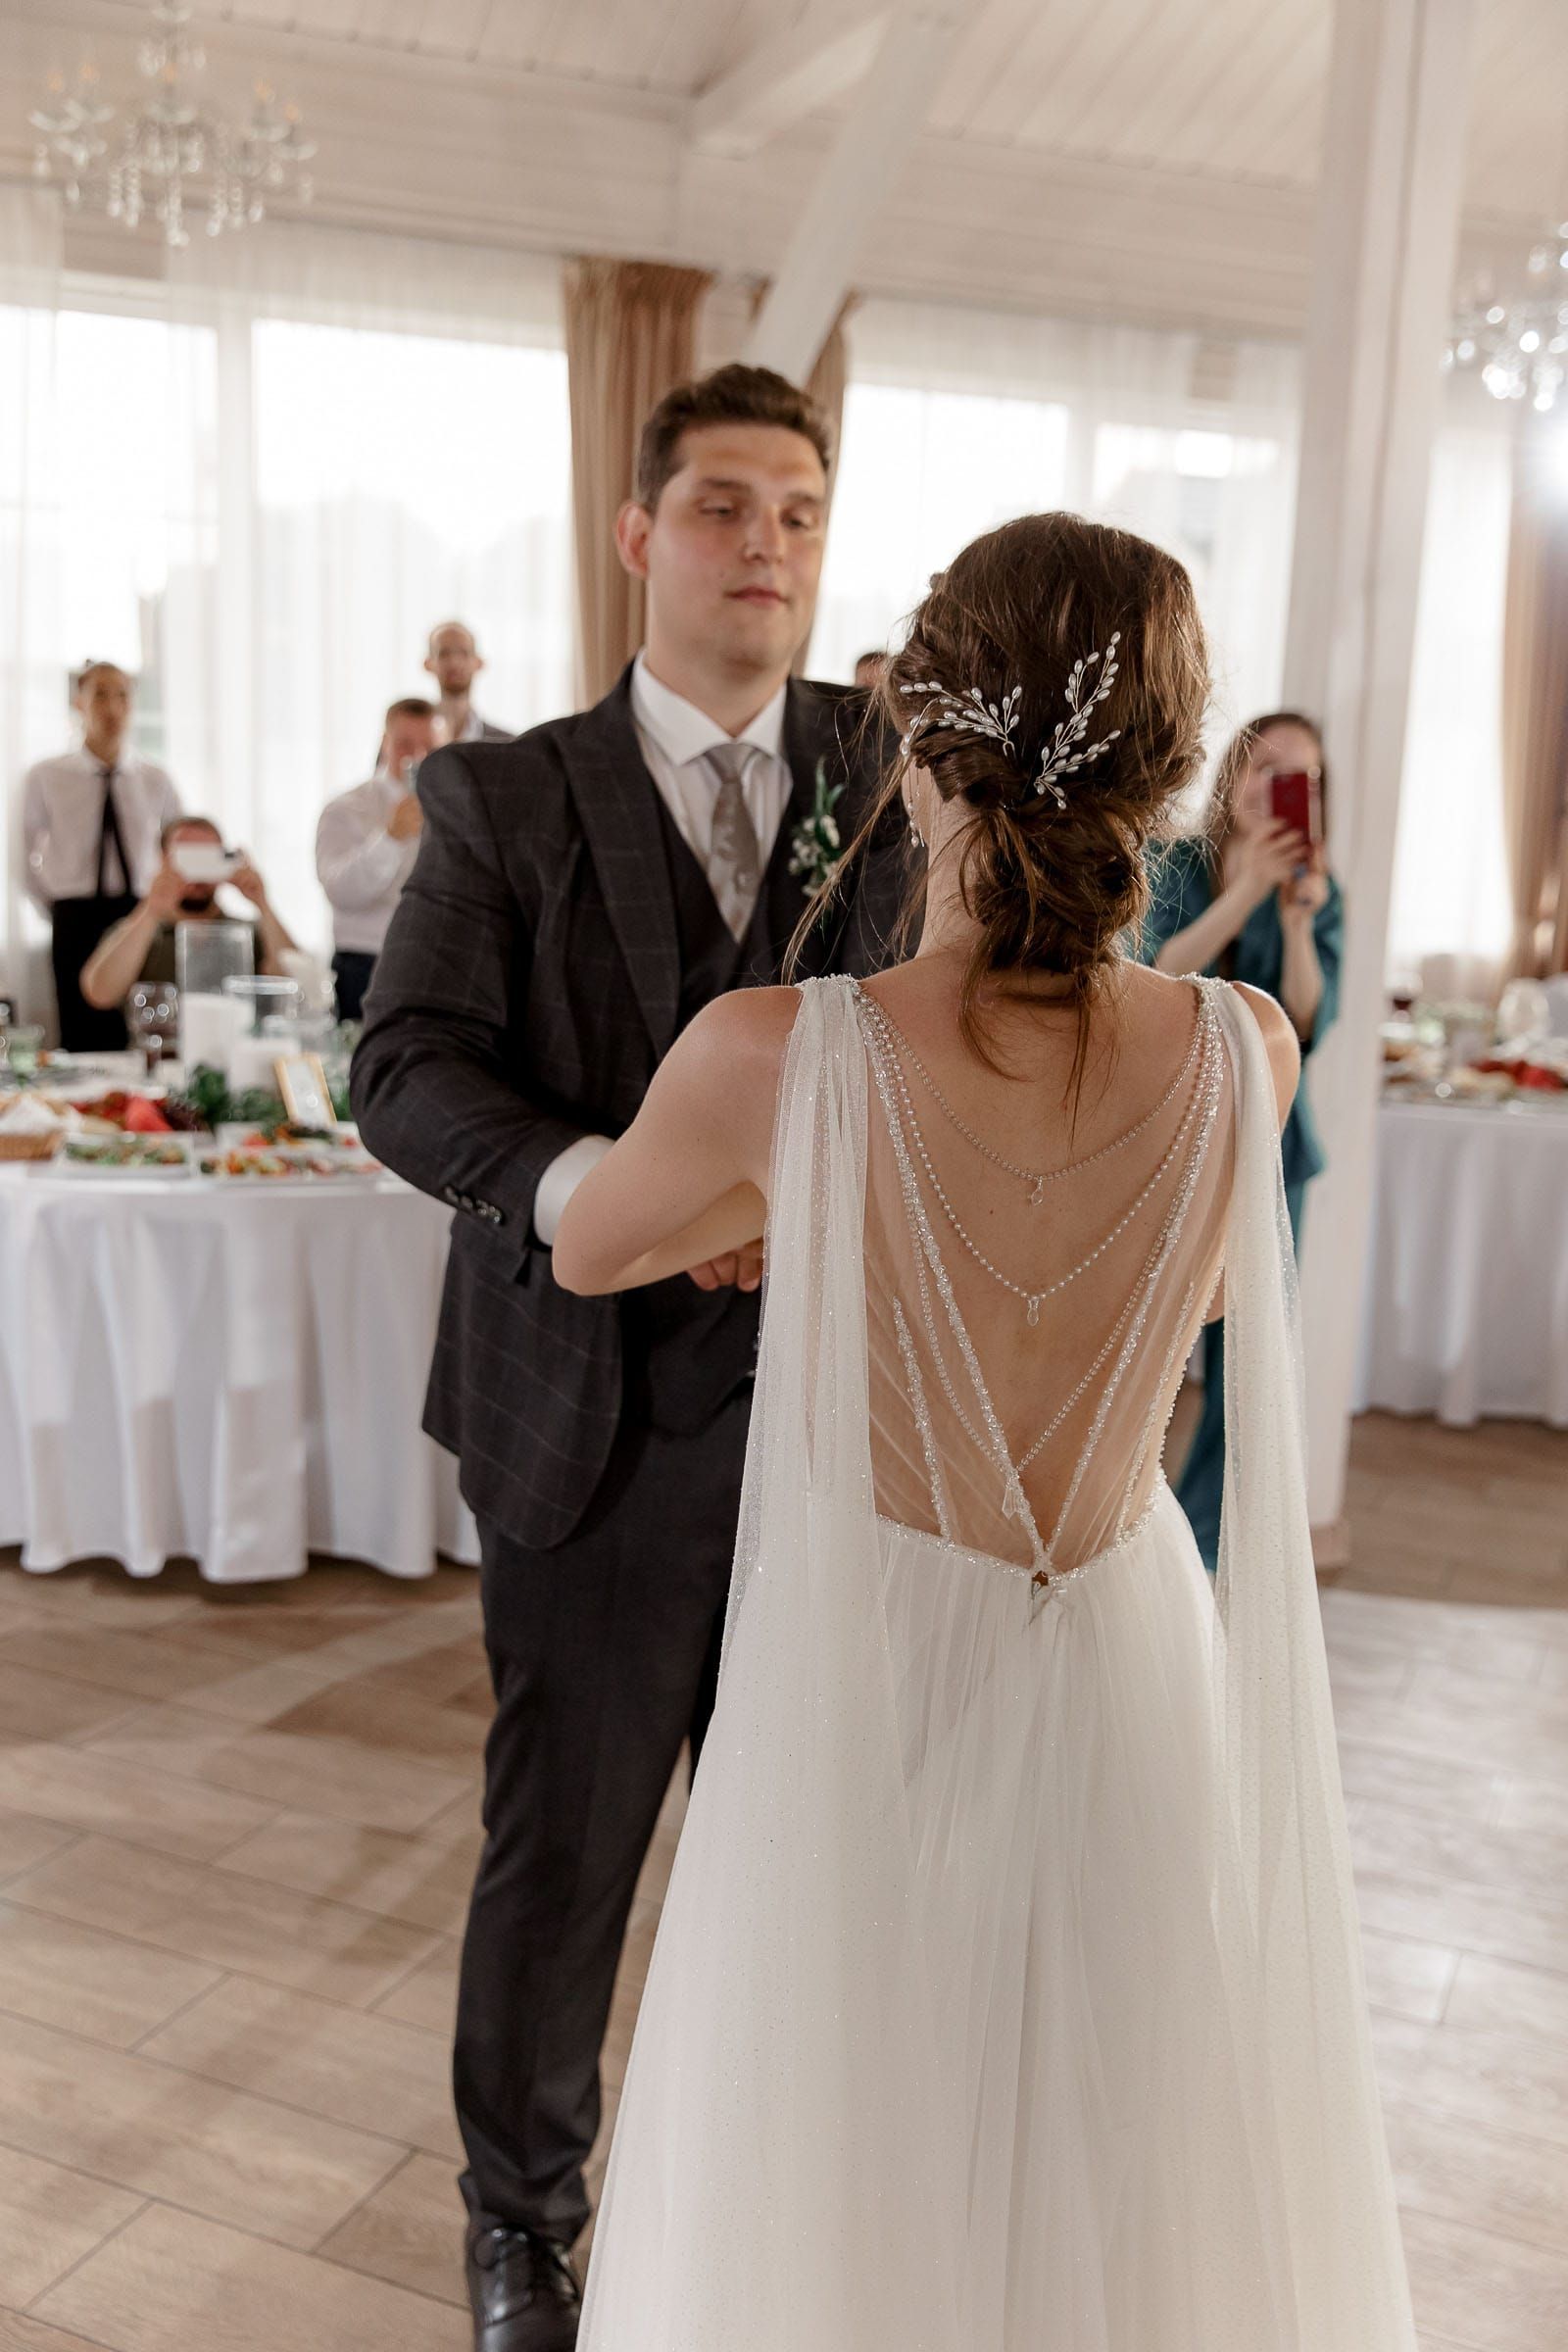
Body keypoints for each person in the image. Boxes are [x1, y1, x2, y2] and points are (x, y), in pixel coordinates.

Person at [554, 514, 1416, 2352]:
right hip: (1121, 1639)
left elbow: (593, 1240)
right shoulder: (1244, 1048)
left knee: (846, 2153)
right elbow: (1185, 1306)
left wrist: (775, 1209)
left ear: (914, 739)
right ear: (1176, 779)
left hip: (878, 1656)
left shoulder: (783, 1055)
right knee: (1126, 2148)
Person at [351, 362, 906, 2352]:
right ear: (636, 532)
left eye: (796, 516)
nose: (762, 547)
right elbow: (402, 1068)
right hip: (579, 1431)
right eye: (724, 507)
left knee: (808, 1855)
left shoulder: (898, 765)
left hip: (843, 1439)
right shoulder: (502, 793)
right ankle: (522, 2227)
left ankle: (754, 2208)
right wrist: (595, 1189)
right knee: (562, 1859)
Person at [1140, 710, 1343, 1571]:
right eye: (1266, 768)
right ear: (1233, 776)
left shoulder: (1320, 889)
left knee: (1247, 1369)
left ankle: (1197, 1549)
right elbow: (1154, 970)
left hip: (1275, 1145)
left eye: (1301, 777)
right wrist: (1244, 892)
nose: (1278, 789)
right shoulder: (1180, 863)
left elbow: (1307, 1020)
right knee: (1146, 1345)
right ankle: (1125, 1532)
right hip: (1170, 1136)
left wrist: (1296, 917)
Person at [22, 661, 182, 1051]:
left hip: (137, 913)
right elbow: (24, 855)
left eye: (122, 696)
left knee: (139, 1027)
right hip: (74, 914)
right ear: (79, 702)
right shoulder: (46, 776)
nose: (112, 708)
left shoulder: (155, 778)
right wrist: (57, 904)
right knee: (80, 1030)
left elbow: (176, 847)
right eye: (100, 695)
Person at [79, 816, 296, 1012]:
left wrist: (263, 905)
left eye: (208, 857)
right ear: (163, 860)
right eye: (187, 856)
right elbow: (100, 994)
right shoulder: (140, 930)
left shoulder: (246, 933)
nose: (197, 874)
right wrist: (151, 909)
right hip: (160, 1051)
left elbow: (297, 986)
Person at [316, 698, 441, 1022]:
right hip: (365, 966)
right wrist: (391, 839)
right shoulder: (345, 809)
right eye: (405, 745)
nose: (418, 756)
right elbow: (340, 890)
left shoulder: (456, 810)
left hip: (437, 966)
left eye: (429, 746)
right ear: (384, 743)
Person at [425, 619, 513, 744]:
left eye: (464, 653)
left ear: (479, 663)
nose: (454, 662)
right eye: (444, 653)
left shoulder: (504, 744)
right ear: (428, 664)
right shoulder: (415, 745)